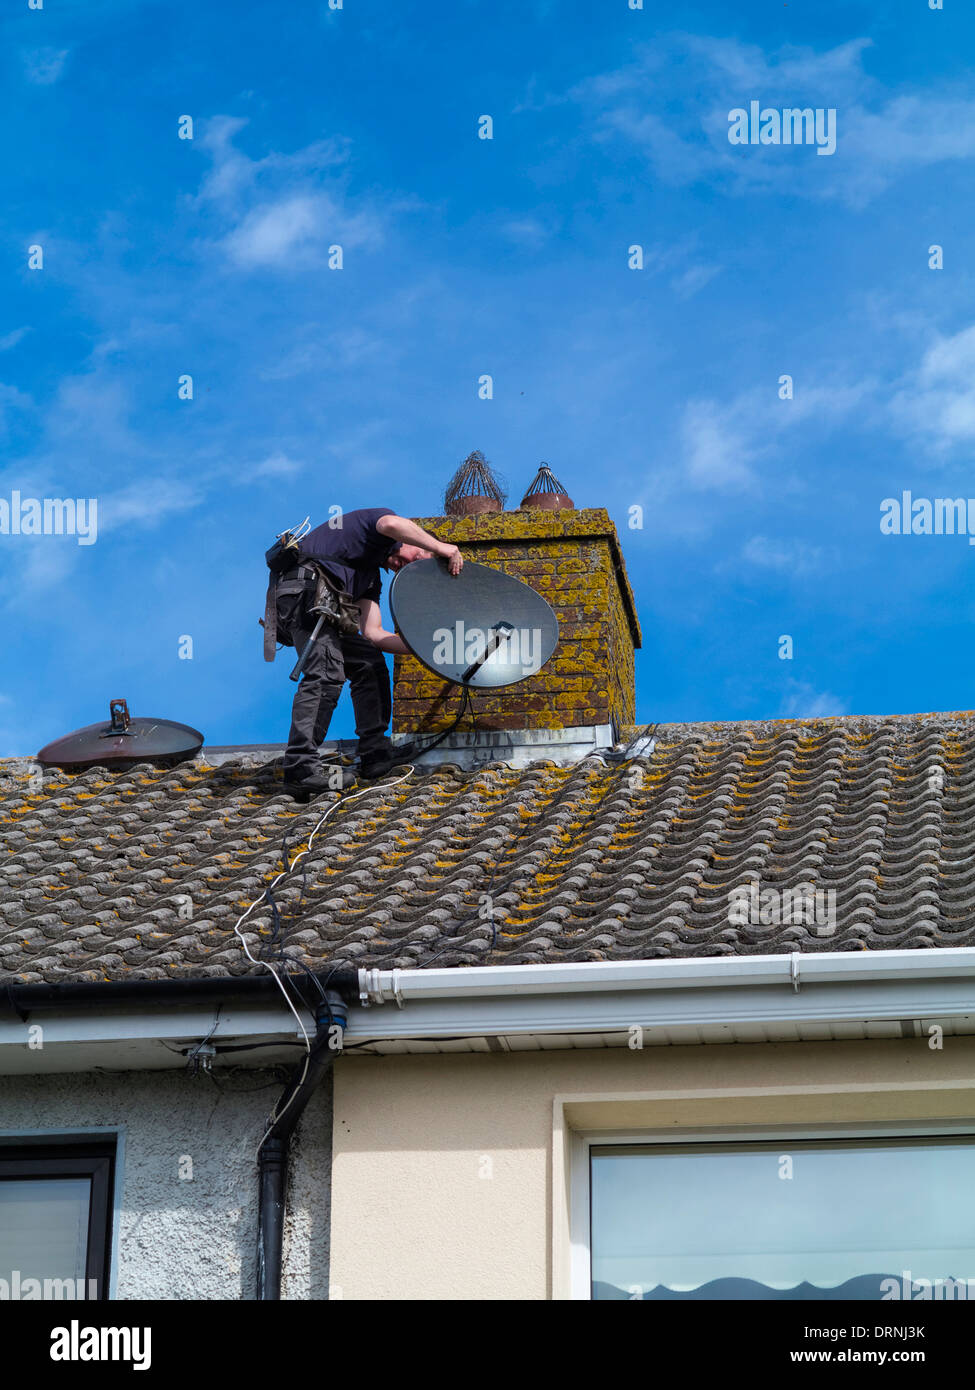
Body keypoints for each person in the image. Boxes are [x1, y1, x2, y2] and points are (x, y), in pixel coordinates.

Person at [275, 508, 463, 795]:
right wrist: (443, 548)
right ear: (417, 541)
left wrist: (425, 648)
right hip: (305, 594)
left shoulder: (370, 576)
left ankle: (375, 755)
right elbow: (391, 524)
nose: (403, 566)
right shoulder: (377, 524)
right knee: (326, 671)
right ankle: (299, 767)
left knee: (368, 661)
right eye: (416, 558)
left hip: (323, 609)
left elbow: (374, 633)